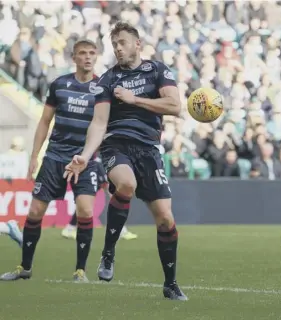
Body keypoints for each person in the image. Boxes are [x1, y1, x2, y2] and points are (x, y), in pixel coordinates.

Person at [64, 22, 186, 301]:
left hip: (150, 149)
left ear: (137, 44)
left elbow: (175, 106)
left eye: (122, 42)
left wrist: (135, 100)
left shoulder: (157, 70)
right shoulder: (106, 80)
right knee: (126, 184)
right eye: (114, 44)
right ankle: (108, 252)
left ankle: (170, 283)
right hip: (116, 144)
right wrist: (85, 154)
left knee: (166, 219)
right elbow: (98, 122)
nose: (118, 48)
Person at [0, 39, 100, 282]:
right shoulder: (59, 84)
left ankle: (80, 270)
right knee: (35, 211)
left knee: (86, 210)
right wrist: (34, 155)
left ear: (96, 57)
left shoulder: (102, 88)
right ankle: (25, 267)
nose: (87, 57)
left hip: (86, 160)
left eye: (92, 53)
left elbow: (104, 125)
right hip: (55, 156)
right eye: (82, 53)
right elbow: (44, 121)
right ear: (74, 57)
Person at [61, 154, 138, 241]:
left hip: (95, 163)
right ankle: (120, 230)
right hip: (92, 165)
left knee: (90, 200)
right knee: (110, 195)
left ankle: (70, 228)